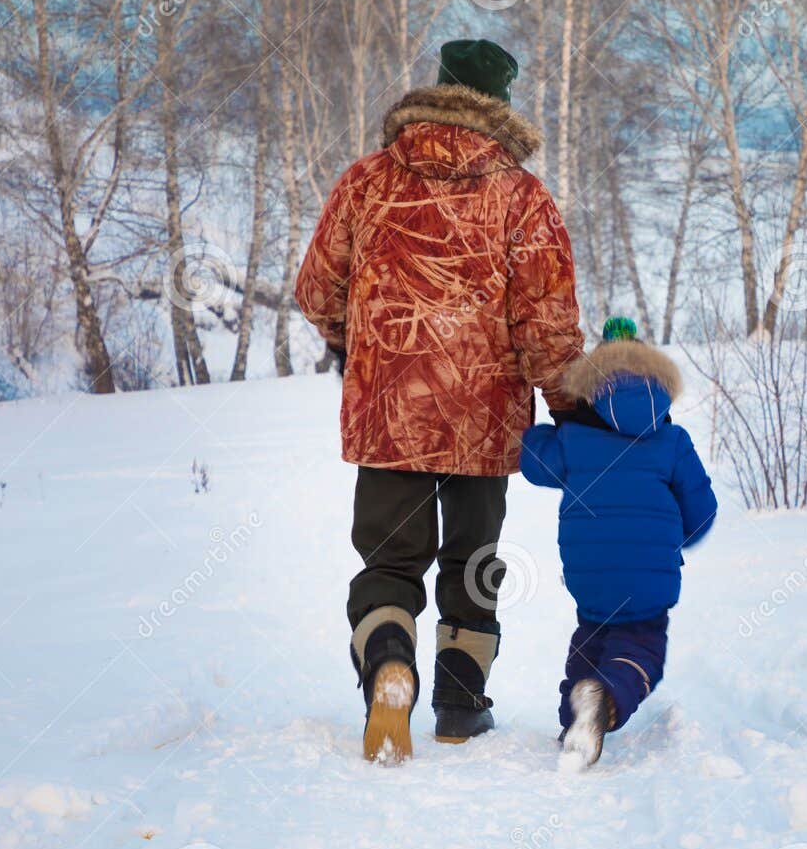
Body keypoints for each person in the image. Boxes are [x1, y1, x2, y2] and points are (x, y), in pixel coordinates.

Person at [296, 39, 583, 763]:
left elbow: (316, 291)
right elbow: (546, 326)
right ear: (500, 105)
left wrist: (354, 346)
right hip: (483, 424)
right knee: (472, 560)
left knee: (389, 564)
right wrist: (571, 408)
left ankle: (390, 665)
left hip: (388, 415)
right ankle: (459, 702)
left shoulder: (367, 181)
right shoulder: (521, 196)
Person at [520, 317, 718, 769]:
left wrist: (557, 422)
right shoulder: (672, 441)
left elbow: (533, 461)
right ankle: (604, 699)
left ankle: (575, 718)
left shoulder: (574, 439)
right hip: (648, 579)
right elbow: (702, 513)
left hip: (589, 576)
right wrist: (672, 541)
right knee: (640, 648)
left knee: (591, 636)